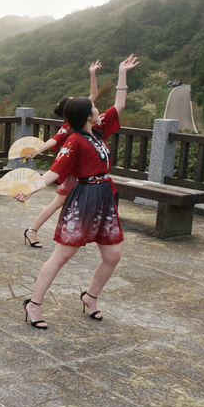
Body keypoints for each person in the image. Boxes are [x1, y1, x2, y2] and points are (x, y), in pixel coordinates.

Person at [14, 55, 139, 329]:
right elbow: (55, 173)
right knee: (62, 256)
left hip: (105, 196)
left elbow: (119, 104)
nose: (97, 108)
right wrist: (30, 189)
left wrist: (122, 73)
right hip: (83, 199)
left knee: (113, 255)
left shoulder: (97, 130)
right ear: (86, 115)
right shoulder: (73, 140)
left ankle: (90, 296)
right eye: (93, 107)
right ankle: (34, 304)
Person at [22, 61, 102, 249]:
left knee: (68, 203)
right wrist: (37, 150)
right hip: (75, 171)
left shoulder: (82, 120)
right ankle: (32, 230)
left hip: (87, 171)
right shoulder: (70, 127)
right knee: (59, 201)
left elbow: (93, 96)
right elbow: (53, 140)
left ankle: (75, 234)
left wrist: (92, 74)